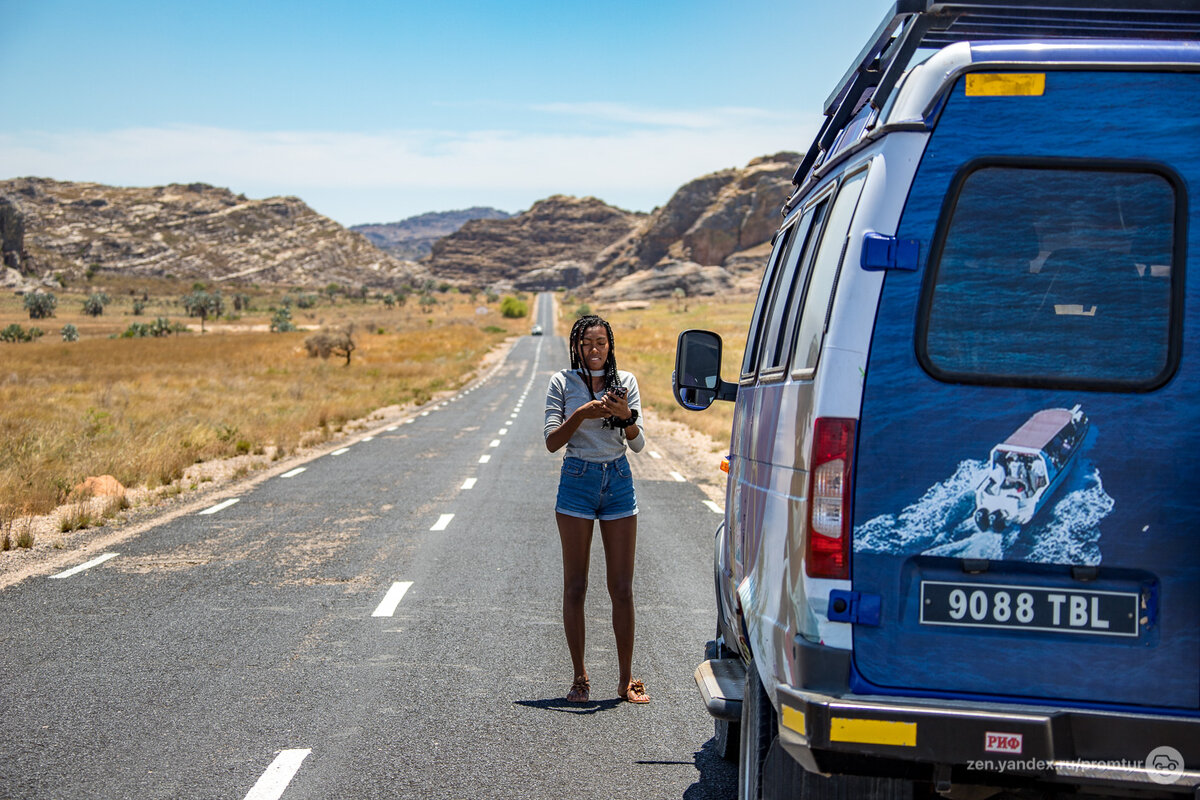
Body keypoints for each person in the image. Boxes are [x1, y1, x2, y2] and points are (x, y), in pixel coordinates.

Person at [544, 315, 649, 704]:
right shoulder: (562, 383)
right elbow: (552, 442)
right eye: (587, 342)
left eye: (601, 342)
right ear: (576, 346)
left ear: (611, 345)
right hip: (576, 480)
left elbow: (638, 446)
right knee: (576, 586)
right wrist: (582, 414)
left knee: (621, 588)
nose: (594, 349)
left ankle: (626, 680)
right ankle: (580, 678)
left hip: (618, 481)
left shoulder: (627, 383)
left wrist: (626, 418)